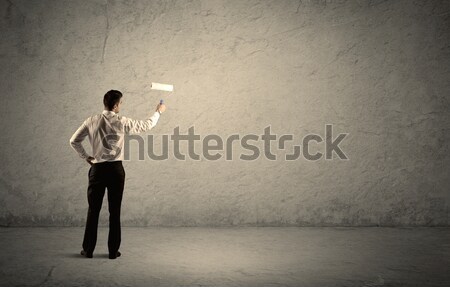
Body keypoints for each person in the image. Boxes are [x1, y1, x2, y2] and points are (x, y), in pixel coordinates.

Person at [69, 90, 166, 259]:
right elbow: (147, 125)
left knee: (93, 210)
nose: (121, 106)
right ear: (115, 105)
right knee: (115, 211)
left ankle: (88, 250)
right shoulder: (122, 121)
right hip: (116, 171)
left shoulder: (91, 121)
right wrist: (158, 112)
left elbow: (74, 141)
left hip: (97, 170)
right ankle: (113, 252)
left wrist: (86, 157)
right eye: (120, 103)